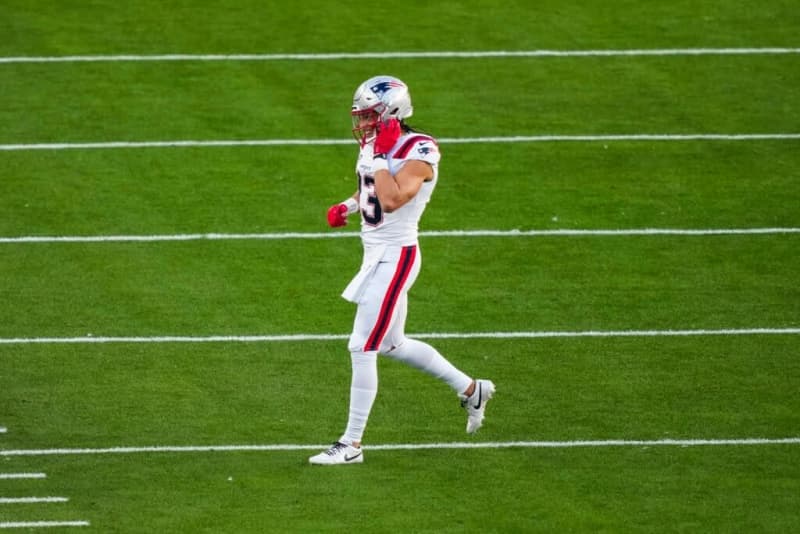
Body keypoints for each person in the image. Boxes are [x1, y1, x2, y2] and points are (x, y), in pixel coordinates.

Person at [309, 75, 495, 465]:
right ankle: (471, 389)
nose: (362, 123)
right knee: (392, 344)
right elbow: (371, 187)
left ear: (391, 113)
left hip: (396, 256)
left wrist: (379, 156)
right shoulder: (375, 145)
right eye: (361, 116)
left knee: (362, 345)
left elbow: (393, 198)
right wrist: (348, 206)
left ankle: (351, 445)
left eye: (369, 115)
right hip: (375, 254)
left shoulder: (419, 150)